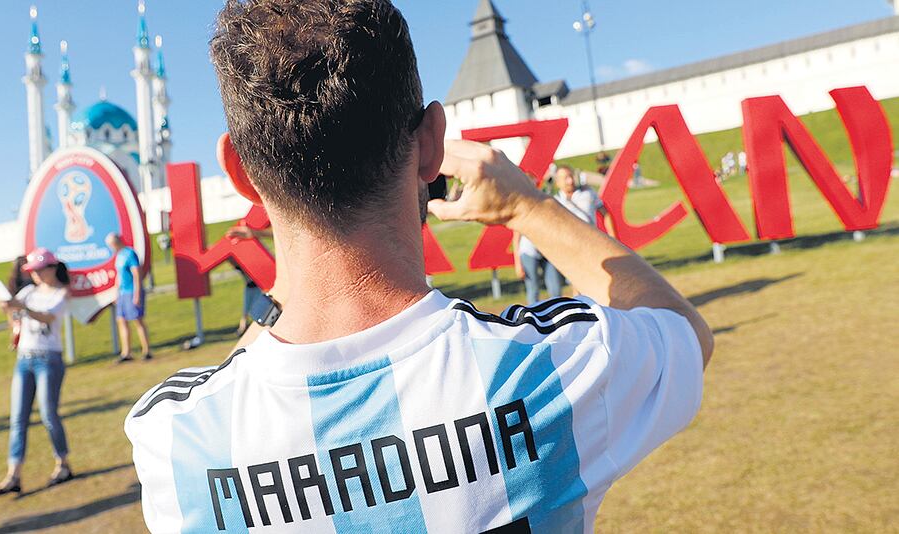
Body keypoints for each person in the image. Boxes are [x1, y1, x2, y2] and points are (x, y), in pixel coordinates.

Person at [126, 2, 713, 532]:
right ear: (432, 144)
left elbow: (234, 381)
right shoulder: (559, 368)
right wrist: (527, 206)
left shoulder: (174, 442)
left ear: (238, 173)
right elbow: (682, 332)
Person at [0, 248, 73, 495]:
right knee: (17, 419)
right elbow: (10, 311)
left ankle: (63, 464)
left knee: (48, 414)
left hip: (49, 359)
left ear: (51, 268)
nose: (34, 275)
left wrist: (21, 308)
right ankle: (13, 475)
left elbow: (47, 318)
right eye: (32, 271)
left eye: (38, 270)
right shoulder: (28, 292)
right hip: (24, 359)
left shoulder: (61, 292)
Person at [106, 233, 151, 362]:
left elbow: (137, 274)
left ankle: (146, 350)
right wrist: (116, 292)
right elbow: (119, 276)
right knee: (121, 320)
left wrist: (137, 294)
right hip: (122, 293)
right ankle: (126, 352)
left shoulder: (130, 254)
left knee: (137, 320)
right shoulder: (118, 256)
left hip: (132, 291)